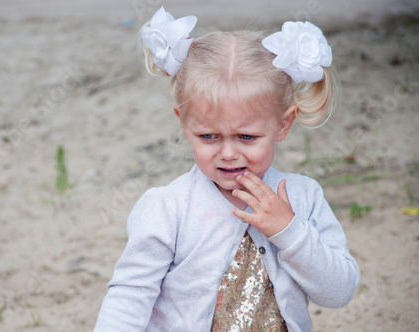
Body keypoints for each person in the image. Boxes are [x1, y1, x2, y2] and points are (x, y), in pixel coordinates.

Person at [94, 7, 359, 332]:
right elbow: (130, 295)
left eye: (246, 137)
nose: (228, 153)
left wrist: (288, 230)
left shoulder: (304, 197)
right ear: (184, 123)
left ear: (284, 124)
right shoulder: (169, 207)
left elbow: (340, 291)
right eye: (209, 136)